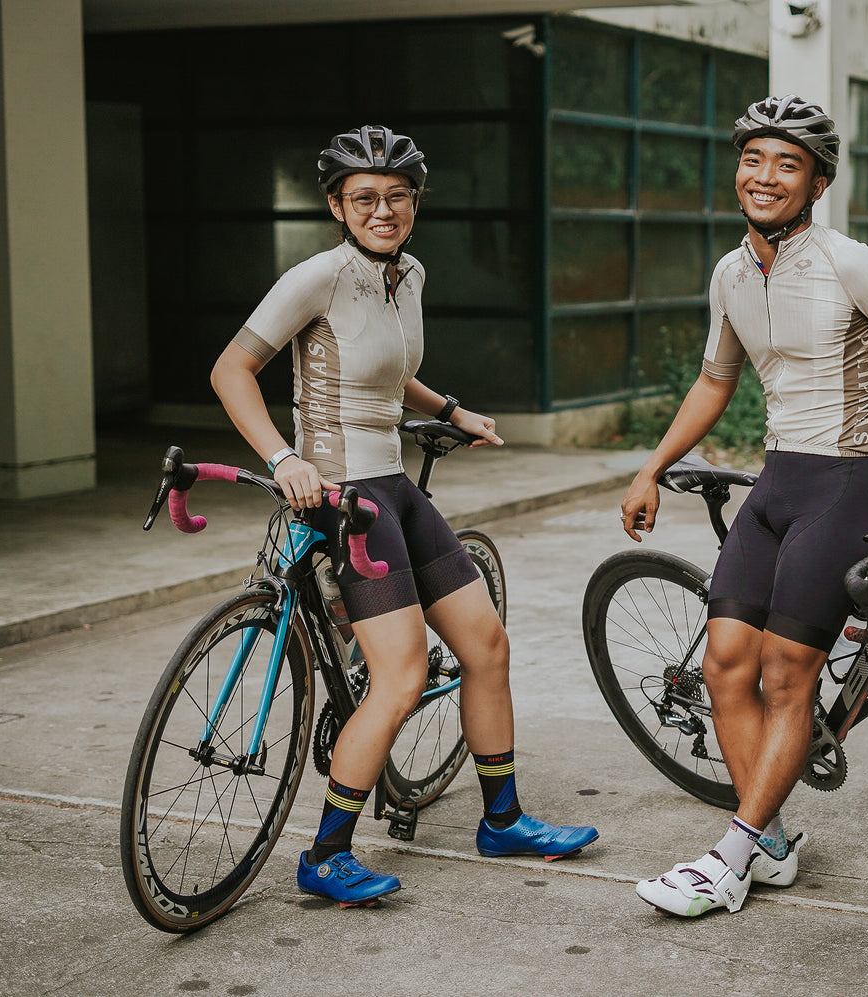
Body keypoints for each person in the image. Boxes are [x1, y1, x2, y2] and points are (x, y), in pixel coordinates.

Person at [622, 96, 868, 917]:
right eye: (754, 160)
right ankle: (766, 843)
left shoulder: (851, 264)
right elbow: (715, 380)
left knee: (785, 672)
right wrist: (653, 465)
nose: (765, 177)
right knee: (725, 662)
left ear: (817, 182)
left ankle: (728, 858)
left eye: (786, 164)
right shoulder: (731, 272)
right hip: (774, 485)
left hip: (841, 486)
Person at [211, 125, 597, 908]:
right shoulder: (316, 277)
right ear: (337, 205)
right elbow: (231, 369)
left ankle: (504, 818)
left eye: (395, 196)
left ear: (415, 203)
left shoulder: (408, 274)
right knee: (402, 674)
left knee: (486, 645)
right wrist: (285, 458)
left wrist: (454, 407)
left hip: (394, 486)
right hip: (341, 496)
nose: (381, 210)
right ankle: (326, 853)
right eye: (364, 198)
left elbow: (391, 375)